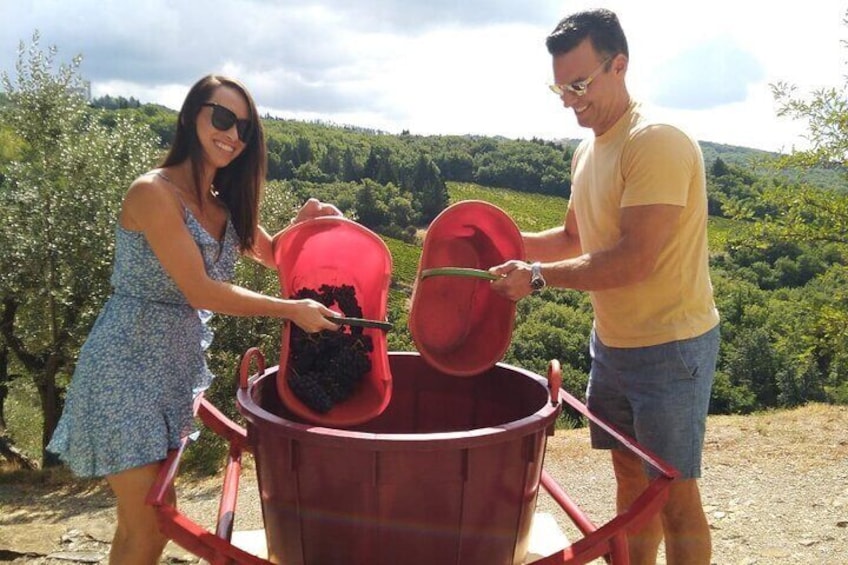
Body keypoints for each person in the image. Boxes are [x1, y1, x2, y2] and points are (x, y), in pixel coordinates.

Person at [47, 74, 343, 564]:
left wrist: (313, 221)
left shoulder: (223, 207)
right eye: (221, 117)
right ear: (191, 114)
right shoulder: (152, 193)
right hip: (125, 371)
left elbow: (275, 255)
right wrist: (292, 311)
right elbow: (201, 291)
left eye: (243, 127)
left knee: (138, 527)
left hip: (168, 374)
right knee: (149, 528)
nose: (231, 134)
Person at [489, 9, 720, 565]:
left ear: (619, 66)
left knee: (674, 494)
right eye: (559, 86)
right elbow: (573, 236)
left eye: (578, 83)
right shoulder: (588, 149)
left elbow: (635, 260)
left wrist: (536, 278)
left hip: (671, 346)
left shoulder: (655, 141)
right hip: (612, 344)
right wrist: (490, 238)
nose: (568, 98)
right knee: (628, 478)